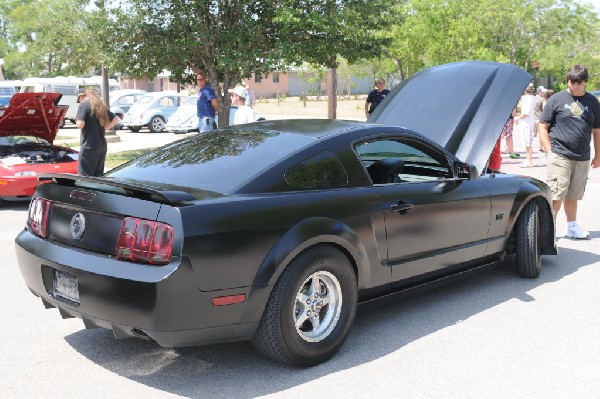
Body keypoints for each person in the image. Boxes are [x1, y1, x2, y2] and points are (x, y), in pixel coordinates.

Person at [538, 64, 600, 239]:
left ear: (585, 82)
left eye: (578, 82)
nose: (574, 85)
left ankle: (572, 227)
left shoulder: (592, 102)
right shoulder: (556, 99)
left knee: (573, 193)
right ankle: (548, 232)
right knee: (557, 193)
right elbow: (542, 127)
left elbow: (597, 130)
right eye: (571, 81)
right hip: (559, 153)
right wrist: (550, 151)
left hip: (582, 156)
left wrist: (598, 155)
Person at [75, 89, 118, 176]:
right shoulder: (100, 106)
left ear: (81, 97)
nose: (79, 102)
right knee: (98, 176)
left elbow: (80, 124)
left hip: (88, 147)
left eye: (79, 100)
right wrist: (104, 128)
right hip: (102, 146)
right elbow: (115, 119)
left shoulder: (84, 105)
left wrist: (76, 122)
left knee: (84, 177)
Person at [514, 84, 536, 167]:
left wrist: (518, 117)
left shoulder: (527, 99)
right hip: (529, 121)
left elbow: (525, 113)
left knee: (528, 142)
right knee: (528, 142)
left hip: (527, 122)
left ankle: (529, 161)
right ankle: (528, 160)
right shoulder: (533, 98)